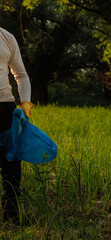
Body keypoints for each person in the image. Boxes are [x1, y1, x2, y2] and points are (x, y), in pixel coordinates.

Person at [0, 27, 33, 223]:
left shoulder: (6, 37)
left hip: (5, 107)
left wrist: (25, 103)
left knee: (11, 162)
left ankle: (11, 213)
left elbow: (21, 75)